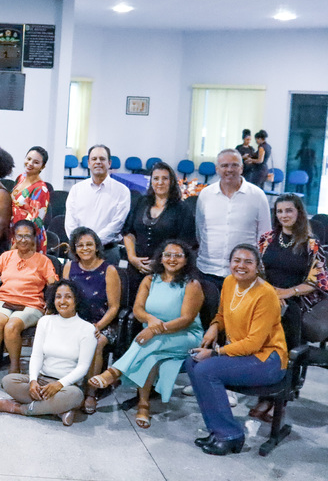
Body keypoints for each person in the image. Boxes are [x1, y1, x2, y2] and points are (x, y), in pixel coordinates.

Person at [185, 244, 287, 456]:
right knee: (192, 362)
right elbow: (222, 314)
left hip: (267, 359)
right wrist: (214, 326)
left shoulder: (266, 294)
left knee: (206, 369)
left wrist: (214, 353)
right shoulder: (230, 282)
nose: (241, 266)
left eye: (248, 262)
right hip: (241, 354)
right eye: (236, 261)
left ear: (258, 267)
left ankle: (230, 435)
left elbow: (253, 344)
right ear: (230, 264)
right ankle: (217, 429)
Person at [90, 241, 204, 428]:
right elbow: (138, 310)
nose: (172, 259)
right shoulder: (150, 280)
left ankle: (115, 372)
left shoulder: (192, 284)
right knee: (151, 355)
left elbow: (186, 319)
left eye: (178, 256)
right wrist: (150, 322)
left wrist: (154, 330)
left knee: (150, 342)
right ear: (160, 258)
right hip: (154, 338)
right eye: (167, 255)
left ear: (186, 260)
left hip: (186, 335)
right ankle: (143, 405)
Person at [0, 280, 97, 426]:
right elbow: (36, 355)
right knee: (8, 381)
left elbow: (83, 367)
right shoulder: (45, 321)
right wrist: (33, 380)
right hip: (42, 380)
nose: (62, 301)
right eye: (58, 297)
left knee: (76, 396)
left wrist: (59, 385)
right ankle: (59, 410)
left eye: (68, 297)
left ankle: (19, 408)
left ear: (76, 300)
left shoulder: (87, 329)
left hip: (66, 387)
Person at [0, 220, 58, 380]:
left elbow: (54, 284)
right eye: (19, 236)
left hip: (31, 304)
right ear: (14, 237)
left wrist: (51, 302)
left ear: (34, 238)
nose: (23, 240)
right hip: (5, 300)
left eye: (27, 236)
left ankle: (15, 366)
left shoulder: (43, 261)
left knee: (12, 326)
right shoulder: (6, 256)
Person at [257, 194, 328, 351]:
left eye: (289, 211)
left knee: (287, 314)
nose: (284, 215)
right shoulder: (266, 239)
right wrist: (271, 293)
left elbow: (317, 282)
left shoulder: (312, 244)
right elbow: (257, 272)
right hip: (266, 292)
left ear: (299, 213)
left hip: (297, 297)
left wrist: (287, 293)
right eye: (279, 211)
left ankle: (288, 366)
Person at [62, 227, 121, 414]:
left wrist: (97, 326)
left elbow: (114, 307)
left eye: (89, 244)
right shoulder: (69, 267)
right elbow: (62, 297)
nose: (85, 248)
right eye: (80, 245)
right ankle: (62, 383)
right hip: (74, 320)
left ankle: (90, 392)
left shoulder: (109, 270)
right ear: (74, 248)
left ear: (97, 247)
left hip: (102, 323)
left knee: (97, 342)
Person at [195, 149, 271, 290]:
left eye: (234, 165)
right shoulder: (205, 195)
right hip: (207, 271)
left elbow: (265, 236)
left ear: (241, 168)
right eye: (224, 165)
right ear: (217, 169)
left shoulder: (257, 195)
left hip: (243, 273)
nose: (229, 169)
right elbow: (200, 230)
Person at [122, 161, 195, 306]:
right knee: (133, 308)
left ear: (172, 181)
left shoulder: (182, 208)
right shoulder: (141, 202)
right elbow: (128, 232)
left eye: (165, 178)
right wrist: (132, 257)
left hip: (167, 271)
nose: (160, 182)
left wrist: (161, 263)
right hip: (136, 267)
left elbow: (185, 244)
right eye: (156, 178)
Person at [64, 144, 131, 267]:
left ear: (109, 163)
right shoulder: (76, 189)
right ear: (89, 163)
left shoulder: (122, 191)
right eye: (94, 159)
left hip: (107, 252)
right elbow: (70, 221)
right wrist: (82, 244)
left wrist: (91, 244)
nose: (98, 162)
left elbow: (118, 223)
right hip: (78, 251)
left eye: (102, 159)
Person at [10, 146, 51, 253]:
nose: (30, 163)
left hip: (28, 239)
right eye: (28, 159)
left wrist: (17, 244)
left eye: (36, 162)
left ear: (43, 166)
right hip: (15, 232)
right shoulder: (21, 177)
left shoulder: (41, 189)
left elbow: (35, 222)